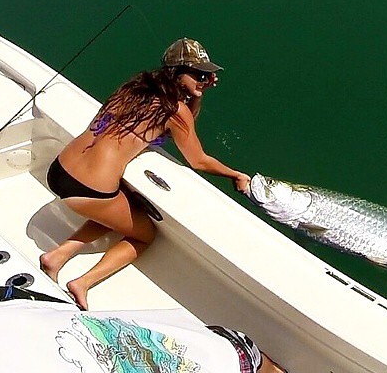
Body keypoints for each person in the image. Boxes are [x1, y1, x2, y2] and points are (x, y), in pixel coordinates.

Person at [40, 37, 251, 310]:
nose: (205, 79)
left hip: (59, 170)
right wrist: (235, 175)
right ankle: (82, 283)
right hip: (88, 189)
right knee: (145, 235)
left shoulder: (132, 88)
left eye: (207, 75)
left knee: (126, 204)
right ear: (176, 72)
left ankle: (57, 257)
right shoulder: (175, 110)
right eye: (198, 74)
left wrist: (196, 94)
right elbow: (198, 159)